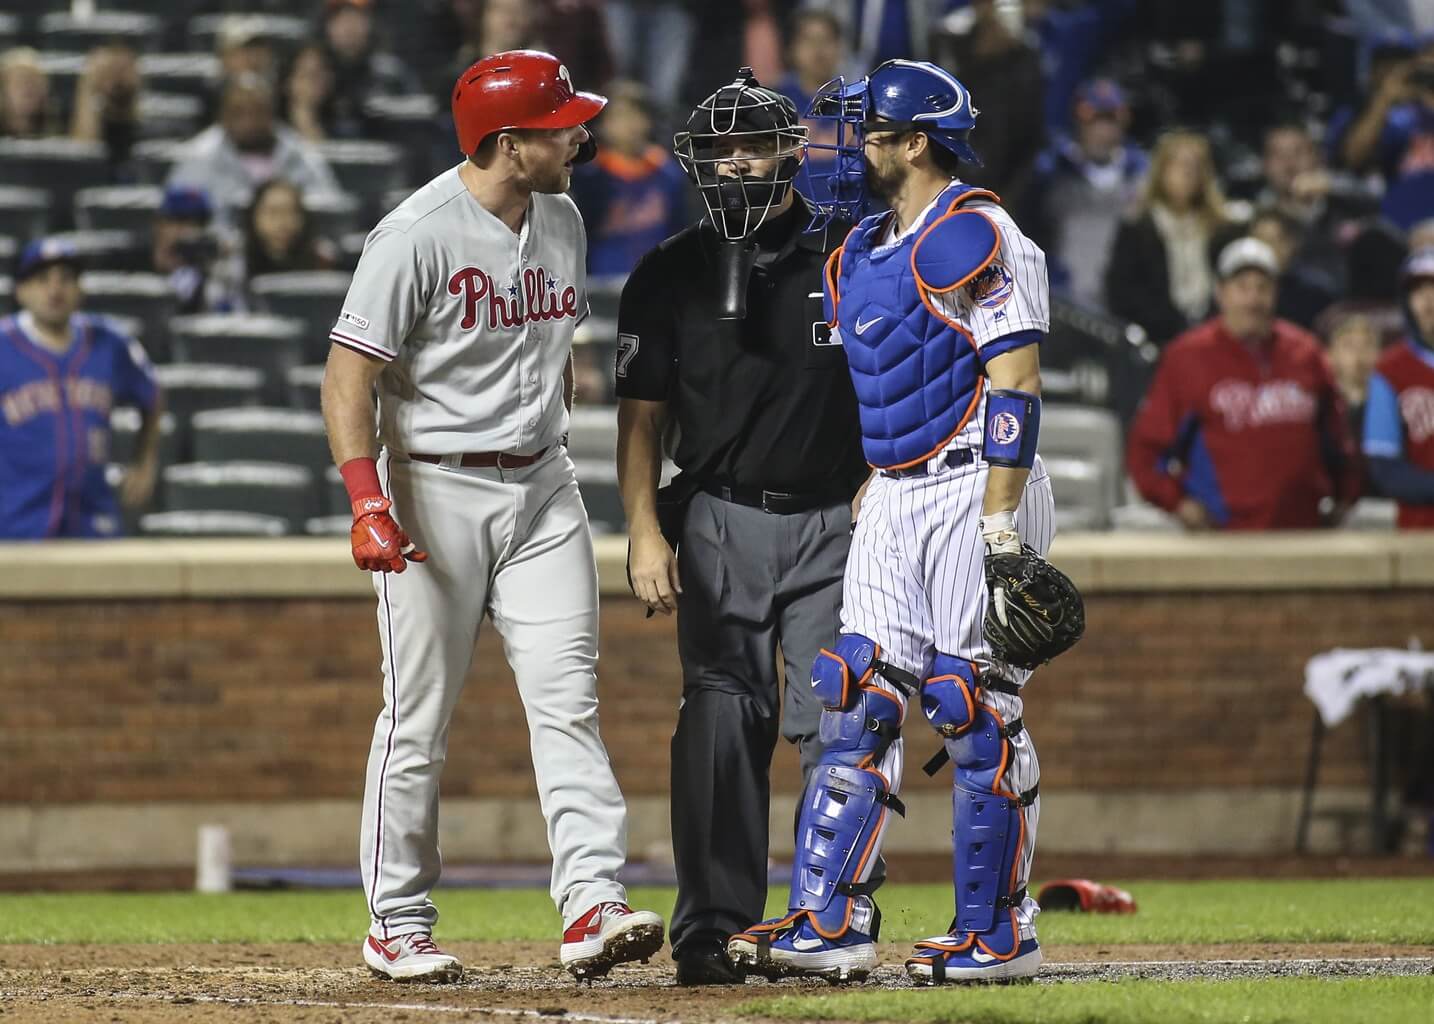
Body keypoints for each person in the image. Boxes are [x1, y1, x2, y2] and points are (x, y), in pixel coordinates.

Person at [320, 50, 663, 985]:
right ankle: (396, 918)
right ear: (510, 144)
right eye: (562, 124)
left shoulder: (563, 215)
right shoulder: (416, 232)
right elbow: (348, 375)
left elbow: (554, 354)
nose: (580, 132)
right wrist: (367, 498)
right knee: (417, 719)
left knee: (569, 700)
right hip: (436, 487)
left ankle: (592, 900)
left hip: (542, 485)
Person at [729, 57, 1062, 985]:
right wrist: (875, 481)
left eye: (869, 129)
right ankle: (832, 921)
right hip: (893, 488)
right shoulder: (862, 250)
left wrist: (1001, 525)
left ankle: (1002, 932)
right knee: (857, 692)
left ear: (918, 141)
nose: (849, 144)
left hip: (973, 485)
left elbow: (1015, 386)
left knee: (972, 704)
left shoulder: (979, 233)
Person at [615, 68, 865, 987]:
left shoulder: (848, 252)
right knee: (718, 720)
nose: (736, 162)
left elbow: (888, 386)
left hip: (836, 513)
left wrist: (880, 486)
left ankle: (828, 915)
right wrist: (644, 531)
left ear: (791, 153)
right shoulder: (665, 271)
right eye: (721, 148)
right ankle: (713, 928)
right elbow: (639, 420)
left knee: (840, 719)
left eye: (752, 143)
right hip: (718, 515)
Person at [1126, 237, 1361, 531]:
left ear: (1276, 293)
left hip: (1303, 535)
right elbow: (1145, 452)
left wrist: (1343, 496)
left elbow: (1339, 441)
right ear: (1221, 293)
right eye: (1242, 287)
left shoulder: (1306, 353)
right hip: (1223, 538)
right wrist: (1178, 503)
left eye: (1262, 288)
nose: (1252, 300)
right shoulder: (1187, 357)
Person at [0, 239, 162, 539]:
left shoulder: (110, 342)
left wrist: (145, 461)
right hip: (16, 521)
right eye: (41, 279)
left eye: (65, 278)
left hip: (92, 518)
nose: (54, 290)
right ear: (21, 291)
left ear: (80, 289)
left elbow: (152, 394)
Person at [1027, 78, 1147, 308]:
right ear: (1079, 120)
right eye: (1094, 119)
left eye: (1111, 119)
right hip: (1061, 295)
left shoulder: (1142, 173)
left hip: (1122, 297)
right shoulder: (1050, 172)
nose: (1103, 130)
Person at [1105, 130, 1231, 346]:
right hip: (1155, 341)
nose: (1188, 173)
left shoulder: (1221, 228)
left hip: (1215, 337)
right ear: (1161, 171)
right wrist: (1174, 325)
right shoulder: (1137, 229)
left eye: (1195, 166)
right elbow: (1122, 293)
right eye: (1180, 165)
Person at [168, 74, 340, 222]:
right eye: (238, 112)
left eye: (257, 111)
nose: (248, 121)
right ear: (222, 116)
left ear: (272, 113)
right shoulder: (199, 157)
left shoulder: (299, 153)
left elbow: (328, 206)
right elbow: (177, 220)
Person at [567, 81, 689, 279]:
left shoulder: (667, 172)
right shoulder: (589, 176)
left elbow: (680, 231)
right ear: (604, 125)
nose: (630, 125)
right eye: (620, 117)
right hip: (600, 284)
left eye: (637, 115)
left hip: (660, 280)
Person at [1364, 247, 1434, 527]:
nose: (1428, 299)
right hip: (1422, 532)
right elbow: (1385, 468)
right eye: (1418, 291)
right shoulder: (1390, 370)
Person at [775, 9, 848, 207]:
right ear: (791, 49)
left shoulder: (858, 102)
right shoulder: (774, 104)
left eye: (826, 40)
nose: (819, 50)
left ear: (840, 47)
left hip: (847, 219)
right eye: (809, 40)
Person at [149, 185, 243, 315]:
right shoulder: (136, 261)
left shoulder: (206, 273)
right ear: (159, 225)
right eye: (178, 221)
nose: (188, 231)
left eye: (196, 224)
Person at [69, 42, 142, 179]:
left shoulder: (155, 122)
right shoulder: (95, 123)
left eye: (123, 70)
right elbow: (84, 150)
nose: (118, 78)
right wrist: (88, 84)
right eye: (110, 71)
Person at [242, 179, 337, 281]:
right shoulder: (237, 264)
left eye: (292, 212)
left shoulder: (323, 263)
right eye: (272, 212)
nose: (282, 223)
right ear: (253, 216)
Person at [0, 47, 56, 138]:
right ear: (4, 88)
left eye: (33, 81)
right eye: (20, 81)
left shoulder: (57, 135)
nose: (28, 88)